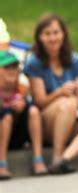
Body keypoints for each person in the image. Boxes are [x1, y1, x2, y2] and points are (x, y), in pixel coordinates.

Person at [24, 14, 78, 174]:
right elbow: (40, 101)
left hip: (69, 120)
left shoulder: (74, 60)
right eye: (47, 33)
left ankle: (64, 159)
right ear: (39, 37)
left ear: (63, 34)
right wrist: (60, 93)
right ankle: (56, 157)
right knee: (68, 102)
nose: (53, 38)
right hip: (45, 123)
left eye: (56, 32)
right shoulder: (35, 63)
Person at [0, 50, 47, 179]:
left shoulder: (22, 89)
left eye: (14, 67)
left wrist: (22, 104)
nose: (11, 70)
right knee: (6, 116)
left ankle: (38, 159)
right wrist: (7, 106)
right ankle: (1, 163)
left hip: (18, 135)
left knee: (33, 111)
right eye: (6, 67)